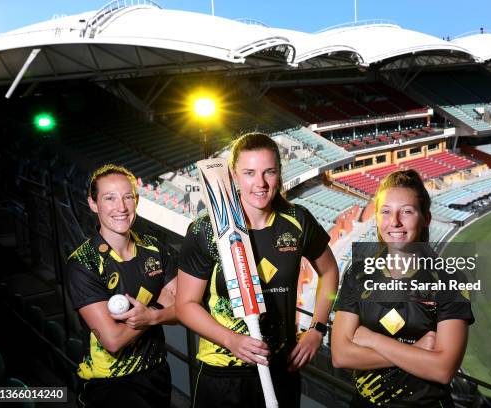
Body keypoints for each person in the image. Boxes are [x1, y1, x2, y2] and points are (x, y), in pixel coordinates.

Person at [176, 132, 339, 408]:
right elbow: (185, 305)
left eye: (269, 172)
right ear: (234, 176)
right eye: (249, 172)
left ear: (279, 173)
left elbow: (330, 272)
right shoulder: (206, 230)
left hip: (281, 369)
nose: (260, 183)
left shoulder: (297, 220)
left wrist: (317, 329)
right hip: (223, 372)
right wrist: (231, 340)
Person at [331, 169, 474, 407]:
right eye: (386, 212)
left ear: (426, 218)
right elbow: (340, 355)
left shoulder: (450, 279)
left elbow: (442, 369)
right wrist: (416, 352)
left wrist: (372, 339)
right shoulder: (358, 274)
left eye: (406, 211)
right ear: (377, 217)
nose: (394, 221)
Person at [66, 164, 178, 408]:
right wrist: (156, 312)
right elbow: (113, 340)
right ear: (93, 204)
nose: (121, 207)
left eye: (128, 197)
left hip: (157, 373)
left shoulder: (155, 248)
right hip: (110, 385)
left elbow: (184, 307)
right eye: (110, 198)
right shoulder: (83, 263)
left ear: (136, 200)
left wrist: (155, 314)